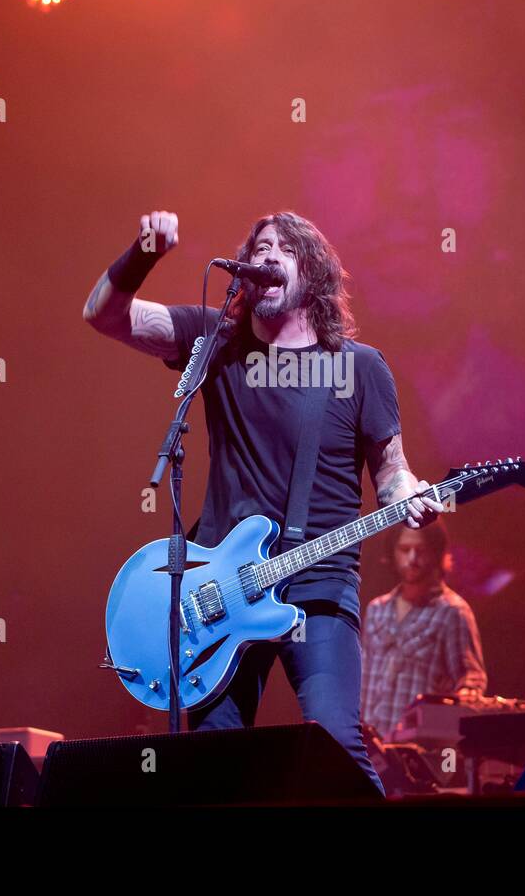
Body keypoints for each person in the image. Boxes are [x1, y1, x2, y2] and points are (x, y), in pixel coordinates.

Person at [84, 209, 444, 793]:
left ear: (314, 272)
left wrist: (410, 496)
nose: (268, 254)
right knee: (217, 764)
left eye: (286, 248)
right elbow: (104, 315)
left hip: (318, 584)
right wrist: (143, 251)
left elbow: (393, 470)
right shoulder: (217, 345)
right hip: (219, 594)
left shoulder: (359, 367)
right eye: (260, 247)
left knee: (334, 741)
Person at [361, 520, 487, 739]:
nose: (412, 559)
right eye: (404, 550)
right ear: (392, 553)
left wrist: (462, 697)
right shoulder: (376, 609)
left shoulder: (452, 611)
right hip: (370, 747)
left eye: (420, 551)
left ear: (437, 553)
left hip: (419, 750)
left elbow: (471, 679)